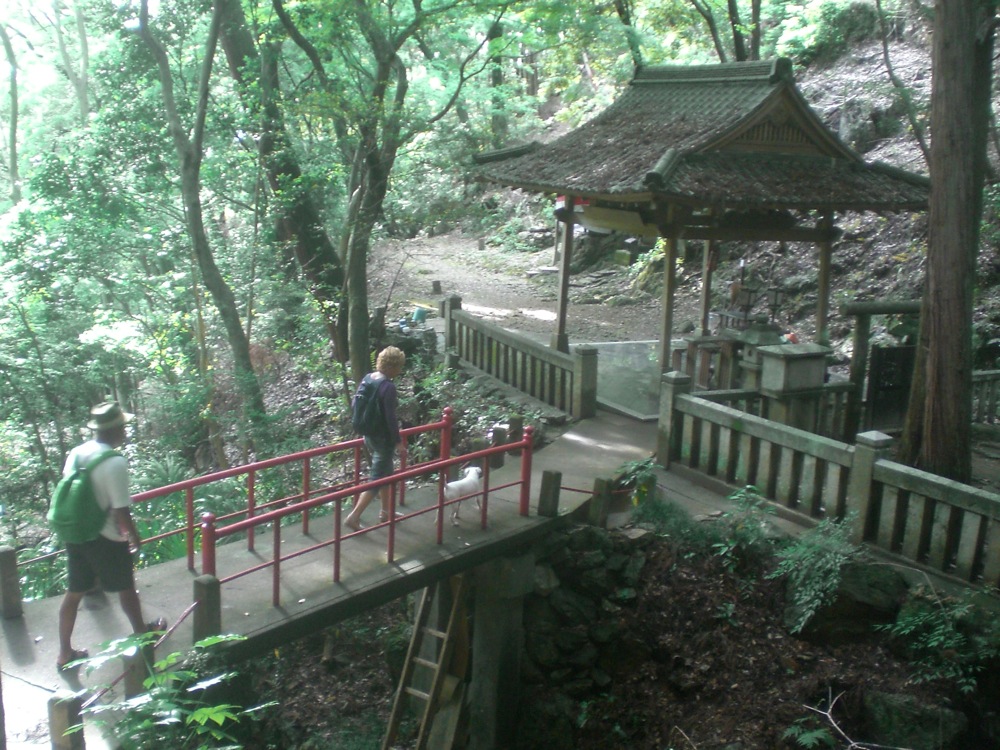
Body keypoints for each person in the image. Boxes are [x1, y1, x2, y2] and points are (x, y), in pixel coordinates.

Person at [57, 401, 166, 672]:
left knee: (74, 593)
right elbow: (120, 510)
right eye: (123, 427)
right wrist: (135, 537)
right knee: (126, 588)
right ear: (116, 430)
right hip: (105, 537)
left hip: (76, 533)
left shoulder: (77, 453)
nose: (125, 432)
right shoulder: (114, 462)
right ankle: (143, 636)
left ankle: (64, 653)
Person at [345, 346, 406, 531]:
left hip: (368, 435)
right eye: (399, 366)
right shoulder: (388, 387)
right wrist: (398, 442)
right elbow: (390, 417)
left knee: (386, 475)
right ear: (393, 366)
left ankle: (386, 512)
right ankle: (353, 517)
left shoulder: (368, 378)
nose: (400, 370)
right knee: (377, 479)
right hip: (382, 439)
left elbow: (356, 403)